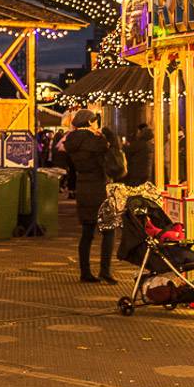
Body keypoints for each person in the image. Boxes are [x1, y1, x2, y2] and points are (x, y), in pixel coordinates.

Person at [64, 109, 121, 284]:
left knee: (87, 233)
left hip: (83, 187)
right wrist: (109, 137)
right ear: (90, 122)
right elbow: (113, 162)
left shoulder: (71, 141)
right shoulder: (97, 141)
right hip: (99, 187)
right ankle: (105, 270)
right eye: (95, 121)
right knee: (109, 230)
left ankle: (85, 272)